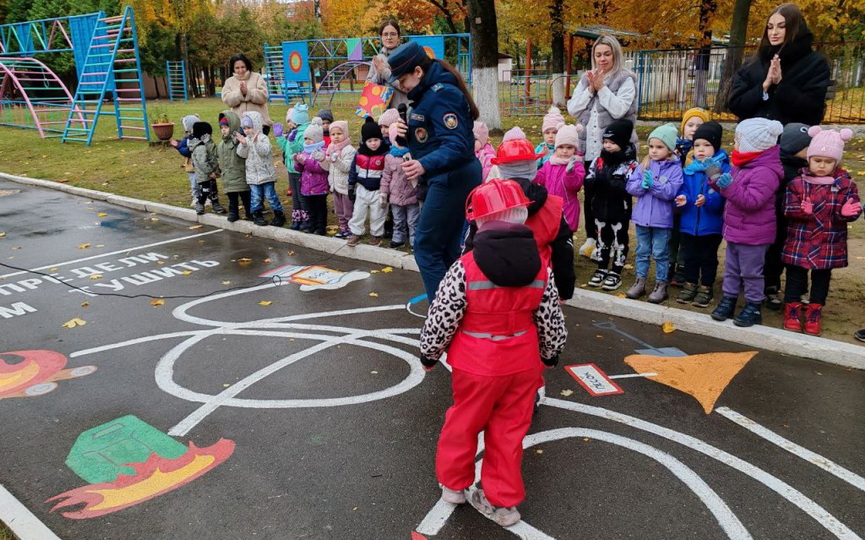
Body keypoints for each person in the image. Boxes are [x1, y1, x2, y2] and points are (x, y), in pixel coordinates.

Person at [419, 179, 567, 527]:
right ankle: (504, 504)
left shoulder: (465, 267)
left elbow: (442, 316)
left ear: (478, 220)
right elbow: (551, 319)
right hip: (523, 362)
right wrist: (550, 353)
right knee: (510, 432)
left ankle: (454, 486)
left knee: (463, 423)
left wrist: (428, 353)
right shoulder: (541, 267)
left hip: (476, 363)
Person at [388, 41, 483, 299]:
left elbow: (457, 145)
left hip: (453, 177)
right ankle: (459, 307)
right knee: (446, 248)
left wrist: (423, 164)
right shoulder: (428, 92)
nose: (402, 86)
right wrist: (407, 138)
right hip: (448, 175)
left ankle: (443, 315)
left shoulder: (441, 93)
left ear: (418, 71)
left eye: (403, 79)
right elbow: (432, 137)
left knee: (426, 248)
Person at [470, 129, 576, 302]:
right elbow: (564, 252)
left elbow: (470, 246)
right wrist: (564, 290)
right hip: (538, 285)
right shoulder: (553, 206)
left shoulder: (486, 202)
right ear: (533, 167)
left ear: (501, 169)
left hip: (491, 285)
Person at [781, 127, 861, 335]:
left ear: (836, 162)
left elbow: (853, 210)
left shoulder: (845, 185)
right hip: (800, 240)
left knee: (821, 278)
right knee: (795, 277)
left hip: (828, 242)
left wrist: (845, 213)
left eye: (828, 161)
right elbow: (787, 208)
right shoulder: (797, 183)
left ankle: (815, 311)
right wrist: (800, 210)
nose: (822, 166)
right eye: (817, 160)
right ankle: (792, 309)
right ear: (809, 159)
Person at [567, 35, 637, 259]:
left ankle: (616, 239)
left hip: (616, 151)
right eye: (598, 54)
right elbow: (572, 108)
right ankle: (592, 237)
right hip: (590, 148)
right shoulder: (586, 78)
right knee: (591, 193)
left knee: (615, 194)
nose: (602, 59)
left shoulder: (626, 78)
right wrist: (590, 89)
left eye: (607, 54)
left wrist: (602, 88)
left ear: (615, 54)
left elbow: (619, 110)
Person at [710, 118, 784, 327]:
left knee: (751, 273)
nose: (734, 143)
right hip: (735, 229)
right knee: (731, 269)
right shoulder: (741, 165)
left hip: (754, 234)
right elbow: (728, 187)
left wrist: (728, 186)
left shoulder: (766, 172)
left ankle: (753, 306)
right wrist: (713, 175)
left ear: (753, 144)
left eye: (737, 140)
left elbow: (752, 201)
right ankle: (729, 300)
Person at [728, 3, 830, 127]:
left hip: (791, 141)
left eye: (781, 27)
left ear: (796, 29)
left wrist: (781, 85)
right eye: (770, 27)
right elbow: (736, 105)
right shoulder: (753, 63)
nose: (774, 32)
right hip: (753, 140)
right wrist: (764, 86)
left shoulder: (814, 63)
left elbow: (813, 112)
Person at [624, 123, 683, 303]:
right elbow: (630, 186)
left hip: (661, 221)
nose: (654, 151)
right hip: (642, 218)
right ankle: (640, 281)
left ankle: (661, 284)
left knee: (660, 253)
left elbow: (670, 192)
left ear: (670, 148)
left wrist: (654, 185)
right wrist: (641, 186)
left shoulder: (675, 169)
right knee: (642, 251)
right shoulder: (644, 165)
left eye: (659, 147)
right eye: (651, 147)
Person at [675, 121, 729, 308]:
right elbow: (683, 189)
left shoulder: (720, 169)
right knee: (689, 255)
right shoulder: (689, 170)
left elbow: (722, 196)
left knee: (707, 257)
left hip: (711, 225)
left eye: (706, 145)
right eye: (697, 145)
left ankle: (706, 287)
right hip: (689, 222)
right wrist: (683, 198)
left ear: (716, 146)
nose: (701, 150)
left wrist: (708, 200)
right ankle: (690, 284)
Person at [586, 119, 638, 291]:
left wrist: (608, 184)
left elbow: (629, 187)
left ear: (622, 143)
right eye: (605, 142)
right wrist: (596, 183)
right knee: (602, 240)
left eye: (612, 142)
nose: (607, 146)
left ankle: (616, 271)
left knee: (619, 241)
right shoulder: (598, 161)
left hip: (619, 211)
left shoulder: (630, 165)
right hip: (599, 209)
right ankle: (601, 268)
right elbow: (588, 180)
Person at [765, 123, 813, 309]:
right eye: (808, 146)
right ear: (794, 147)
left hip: (801, 225)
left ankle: (799, 290)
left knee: (800, 261)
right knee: (773, 256)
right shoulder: (780, 168)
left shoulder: (809, 168)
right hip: (779, 221)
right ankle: (770, 287)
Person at [670, 107, 712, 286]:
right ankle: (669, 264)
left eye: (699, 125)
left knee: (687, 236)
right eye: (690, 124)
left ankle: (682, 267)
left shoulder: (705, 153)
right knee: (672, 234)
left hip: (693, 200)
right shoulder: (673, 147)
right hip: (674, 198)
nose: (694, 129)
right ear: (683, 127)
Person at [236, 111, 285, 227]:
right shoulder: (246, 140)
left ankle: (279, 214)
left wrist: (256, 142)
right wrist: (243, 145)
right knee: (256, 197)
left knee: (270, 196)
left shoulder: (263, 138)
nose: (247, 130)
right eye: (245, 128)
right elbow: (241, 154)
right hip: (252, 176)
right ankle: (257, 214)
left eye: (249, 127)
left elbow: (264, 152)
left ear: (256, 126)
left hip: (266, 175)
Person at [534, 124, 585, 233]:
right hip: (549, 205)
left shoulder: (577, 165)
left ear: (575, 149)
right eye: (561, 147)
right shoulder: (550, 162)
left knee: (565, 233)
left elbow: (575, 186)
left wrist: (570, 173)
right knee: (550, 233)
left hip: (567, 206)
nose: (565, 151)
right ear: (556, 148)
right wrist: (530, 171)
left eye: (569, 147)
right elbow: (540, 177)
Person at [382, 123, 420, 249]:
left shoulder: (413, 155)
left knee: (413, 220)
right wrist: (384, 192)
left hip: (411, 195)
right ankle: (398, 238)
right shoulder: (389, 157)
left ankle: (415, 240)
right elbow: (386, 176)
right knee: (398, 220)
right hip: (395, 195)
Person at [275, 104, 312, 231]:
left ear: (298, 121)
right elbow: (286, 147)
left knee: (302, 196)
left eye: (290, 121)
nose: (289, 123)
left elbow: (300, 150)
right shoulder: (293, 132)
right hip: (291, 170)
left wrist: (292, 142)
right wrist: (280, 137)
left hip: (300, 169)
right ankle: (297, 218)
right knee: (295, 196)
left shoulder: (304, 133)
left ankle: (307, 219)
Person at [293, 118, 329, 236]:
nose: (307, 141)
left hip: (319, 187)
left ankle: (321, 227)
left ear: (317, 139)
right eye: (306, 138)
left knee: (320, 209)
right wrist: (298, 162)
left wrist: (306, 162)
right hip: (307, 187)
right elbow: (300, 169)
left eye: (310, 139)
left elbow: (320, 168)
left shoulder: (322, 151)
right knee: (310, 209)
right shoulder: (304, 151)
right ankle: (311, 225)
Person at [322, 120, 357, 239]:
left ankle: (352, 229)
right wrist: (322, 160)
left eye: (339, 133)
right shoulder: (331, 148)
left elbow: (347, 168)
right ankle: (343, 228)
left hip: (345, 186)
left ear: (345, 133)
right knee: (339, 209)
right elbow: (328, 167)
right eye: (333, 134)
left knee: (348, 209)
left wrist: (336, 160)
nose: (336, 137)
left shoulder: (349, 150)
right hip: (335, 185)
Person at [221, 53, 272, 133]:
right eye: (237, 68)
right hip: (239, 125)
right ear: (233, 69)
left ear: (247, 66)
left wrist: (248, 92)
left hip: (259, 123)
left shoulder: (257, 77)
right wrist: (240, 94)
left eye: (243, 67)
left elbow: (264, 97)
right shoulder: (229, 82)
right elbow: (227, 100)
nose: (240, 70)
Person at [217, 110, 251, 222]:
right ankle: (233, 212)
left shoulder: (238, 140)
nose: (223, 130)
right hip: (228, 176)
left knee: (245, 196)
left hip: (240, 174)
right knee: (232, 197)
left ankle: (249, 212)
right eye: (222, 128)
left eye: (226, 127)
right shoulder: (221, 145)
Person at [367, 18, 409, 110]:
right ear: (381, 37)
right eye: (385, 34)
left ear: (399, 37)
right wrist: (379, 74)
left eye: (393, 34)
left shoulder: (406, 56)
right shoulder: (378, 59)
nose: (389, 37)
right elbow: (368, 87)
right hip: (381, 112)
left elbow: (408, 87)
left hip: (402, 109)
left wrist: (385, 73)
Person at [189, 122, 227, 216]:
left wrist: (216, 169)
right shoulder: (200, 147)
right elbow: (203, 162)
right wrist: (210, 172)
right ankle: (200, 204)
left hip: (212, 173)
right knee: (205, 190)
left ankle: (216, 204)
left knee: (214, 190)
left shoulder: (207, 144)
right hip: (205, 175)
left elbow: (213, 155)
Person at [169, 114, 201, 207]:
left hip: (202, 164)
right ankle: (196, 197)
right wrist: (178, 146)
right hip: (191, 165)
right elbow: (185, 151)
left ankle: (207, 198)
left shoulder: (202, 137)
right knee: (194, 182)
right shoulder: (186, 138)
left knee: (204, 181)